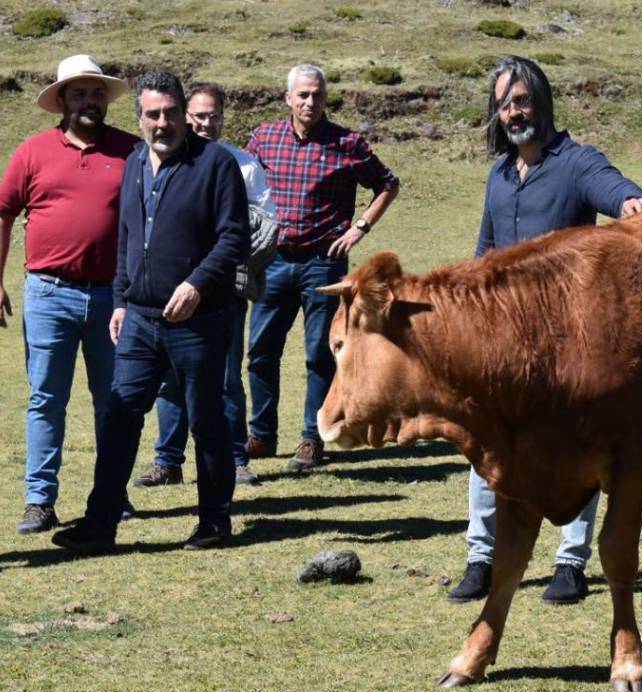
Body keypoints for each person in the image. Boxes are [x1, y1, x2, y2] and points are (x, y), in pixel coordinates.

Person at [448, 56, 642, 606]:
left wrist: (629, 200)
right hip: (504, 340)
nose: (514, 112)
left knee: (574, 445)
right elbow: (485, 252)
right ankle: (481, 558)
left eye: (522, 100)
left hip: (567, 338)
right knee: (486, 442)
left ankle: (570, 562)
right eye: (504, 104)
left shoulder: (575, 162)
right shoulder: (498, 175)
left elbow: (611, 185)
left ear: (541, 100)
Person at [51, 71, 250, 554]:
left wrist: (198, 284)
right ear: (140, 118)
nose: (163, 123)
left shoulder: (216, 163)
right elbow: (127, 236)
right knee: (120, 416)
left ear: (183, 113)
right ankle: (100, 523)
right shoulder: (136, 162)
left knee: (206, 420)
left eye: (171, 113)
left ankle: (214, 521)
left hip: (198, 320)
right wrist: (121, 300)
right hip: (140, 318)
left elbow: (234, 238)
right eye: (153, 114)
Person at [0, 54, 139, 535]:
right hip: (48, 294)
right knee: (47, 398)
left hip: (114, 298)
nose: (89, 101)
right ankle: (39, 500)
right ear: (62, 101)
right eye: (79, 93)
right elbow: (1, 214)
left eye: (96, 93)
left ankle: (111, 494)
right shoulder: (32, 152)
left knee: (113, 401)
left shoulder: (132, 151)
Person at [244, 63, 400, 472]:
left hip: (322, 264)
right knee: (260, 351)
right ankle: (261, 434)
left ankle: (312, 438)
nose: (310, 101)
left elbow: (387, 183)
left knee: (319, 354)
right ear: (288, 98)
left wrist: (360, 228)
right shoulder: (263, 139)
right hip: (273, 261)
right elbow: (241, 184)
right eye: (302, 94)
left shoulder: (347, 143)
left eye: (317, 94)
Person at [134, 82, 278, 490]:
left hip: (223, 291)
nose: (206, 124)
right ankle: (168, 460)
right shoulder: (160, 161)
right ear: (184, 116)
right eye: (198, 116)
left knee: (226, 377)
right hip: (169, 289)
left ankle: (235, 459)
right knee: (170, 378)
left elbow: (265, 228)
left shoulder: (242, 165)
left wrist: (221, 256)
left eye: (214, 116)